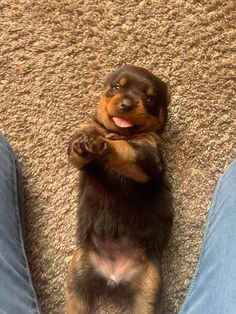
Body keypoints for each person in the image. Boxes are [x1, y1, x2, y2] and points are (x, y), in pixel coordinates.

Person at [0, 132, 235, 314]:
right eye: (116, 89)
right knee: (76, 293)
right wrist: (87, 144)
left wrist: (110, 148)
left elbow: (144, 168)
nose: (127, 103)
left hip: (140, 261)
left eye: (149, 99)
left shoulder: (148, 143)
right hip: (94, 252)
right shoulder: (93, 130)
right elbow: (74, 157)